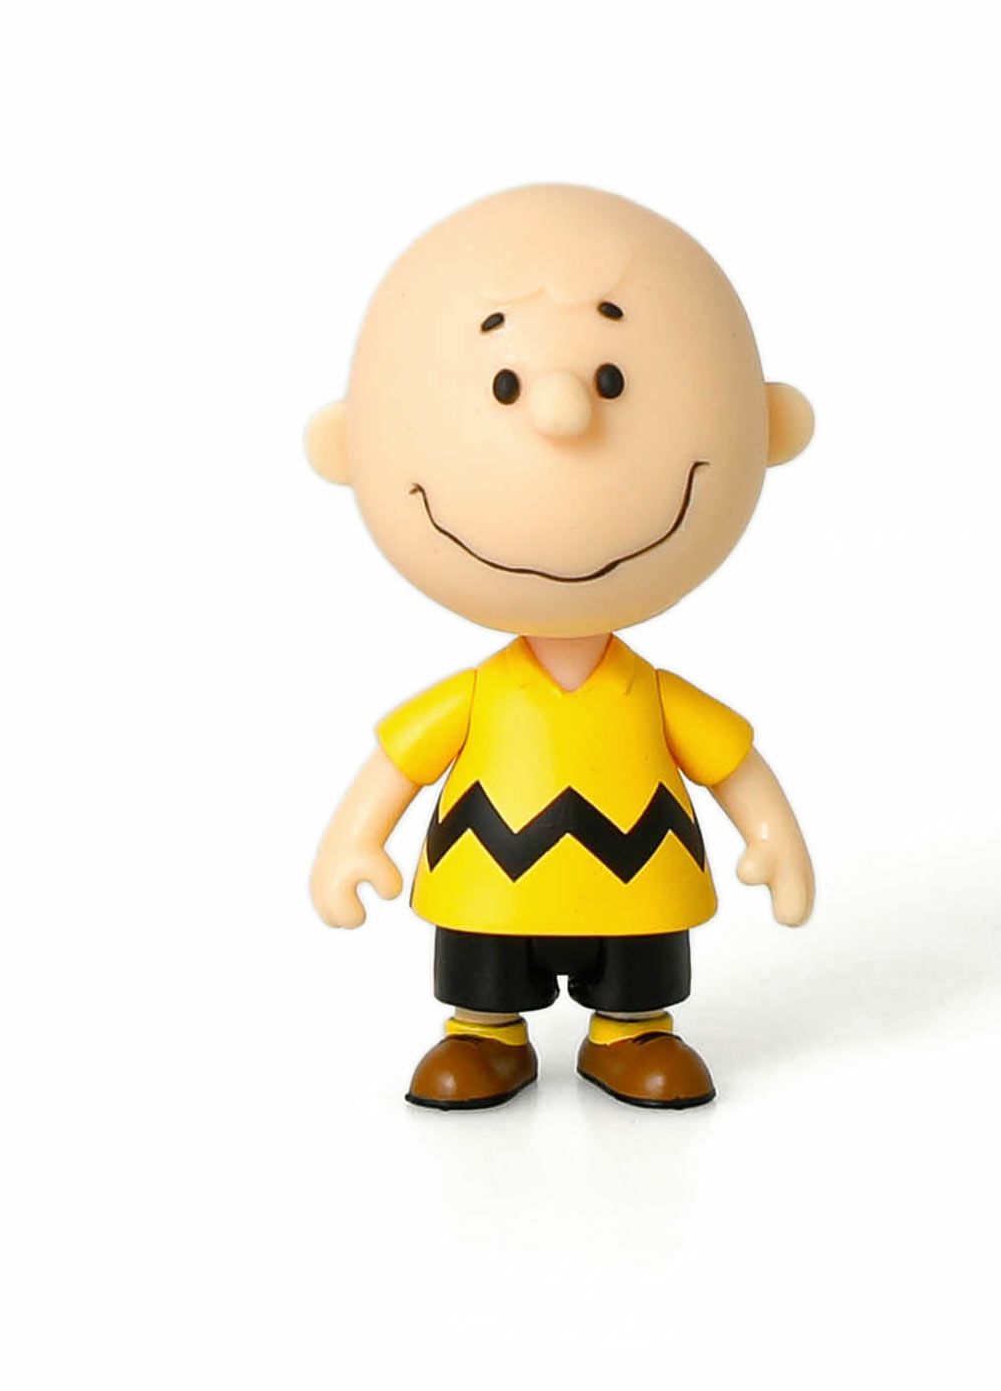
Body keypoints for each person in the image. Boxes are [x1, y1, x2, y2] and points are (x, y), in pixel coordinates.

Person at [305, 184, 815, 1110]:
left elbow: (732, 762)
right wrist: (352, 841)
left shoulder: (651, 695)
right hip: (490, 877)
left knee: (639, 962)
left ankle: (632, 1031)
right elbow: (398, 763)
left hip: (638, 879)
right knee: (482, 959)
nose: (562, 413)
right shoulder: (479, 696)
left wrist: (774, 838)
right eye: (503, 385)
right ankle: (484, 1033)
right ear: (350, 447)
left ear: (769, 427)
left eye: (612, 381)